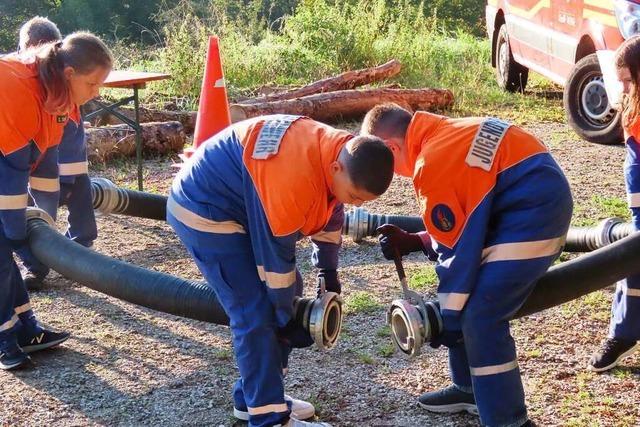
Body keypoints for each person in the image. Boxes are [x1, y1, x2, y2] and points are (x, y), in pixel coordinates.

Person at [168, 114, 394, 427]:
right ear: (336, 169)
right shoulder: (293, 176)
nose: (353, 203)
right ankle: (269, 418)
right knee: (255, 311)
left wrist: (329, 276)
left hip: (241, 205)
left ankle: (255, 399)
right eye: (354, 196)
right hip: (205, 209)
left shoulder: (338, 151)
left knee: (287, 293)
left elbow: (330, 216)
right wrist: (286, 318)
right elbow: (275, 264)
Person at [362, 104, 573, 427]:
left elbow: (458, 257)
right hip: (528, 206)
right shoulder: (445, 132)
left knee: (479, 315)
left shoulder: (431, 162)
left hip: (533, 219)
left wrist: (446, 318)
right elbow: (467, 220)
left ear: (392, 148)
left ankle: (508, 420)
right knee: (461, 299)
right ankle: (469, 388)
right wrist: (417, 240)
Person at [0, 31, 112, 370]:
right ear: (69, 74)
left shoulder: (58, 98)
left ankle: (26, 328)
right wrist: (19, 230)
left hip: (8, 162)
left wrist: (42, 226)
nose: (97, 93)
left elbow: (45, 165)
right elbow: (11, 174)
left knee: (6, 246)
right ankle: (5, 338)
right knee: (1, 248)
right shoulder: (16, 89)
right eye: (93, 84)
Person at [16, 17, 98, 291]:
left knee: (46, 203)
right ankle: (52, 256)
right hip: (43, 163)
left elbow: (68, 144)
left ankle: (57, 255)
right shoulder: (27, 80)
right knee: (44, 204)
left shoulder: (63, 88)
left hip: (52, 167)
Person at [588, 35, 640, 372]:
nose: (621, 89)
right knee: (633, 259)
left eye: (626, 80)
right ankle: (623, 333)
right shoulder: (632, 109)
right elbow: (634, 167)